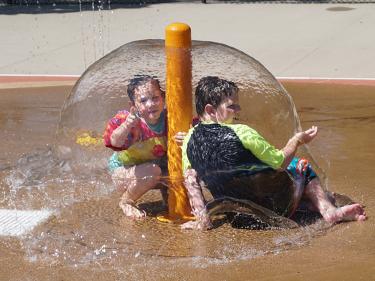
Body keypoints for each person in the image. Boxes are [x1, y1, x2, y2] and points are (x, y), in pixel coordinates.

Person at [181, 76, 366, 230]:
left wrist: (203, 219)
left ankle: (307, 204)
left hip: (241, 218)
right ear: (211, 110)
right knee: (300, 166)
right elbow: (280, 162)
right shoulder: (242, 132)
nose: (239, 110)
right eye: (232, 106)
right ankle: (328, 210)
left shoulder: (188, 140)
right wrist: (296, 140)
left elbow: (191, 182)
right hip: (278, 208)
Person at [103, 75, 184, 219]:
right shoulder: (132, 122)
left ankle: (168, 198)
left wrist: (188, 136)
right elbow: (114, 142)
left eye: (155, 98)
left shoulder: (170, 118)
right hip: (124, 172)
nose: (150, 104)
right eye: (143, 100)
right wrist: (127, 124)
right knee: (153, 171)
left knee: (176, 167)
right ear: (133, 105)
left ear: (163, 97)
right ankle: (126, 201)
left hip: (153, 169)